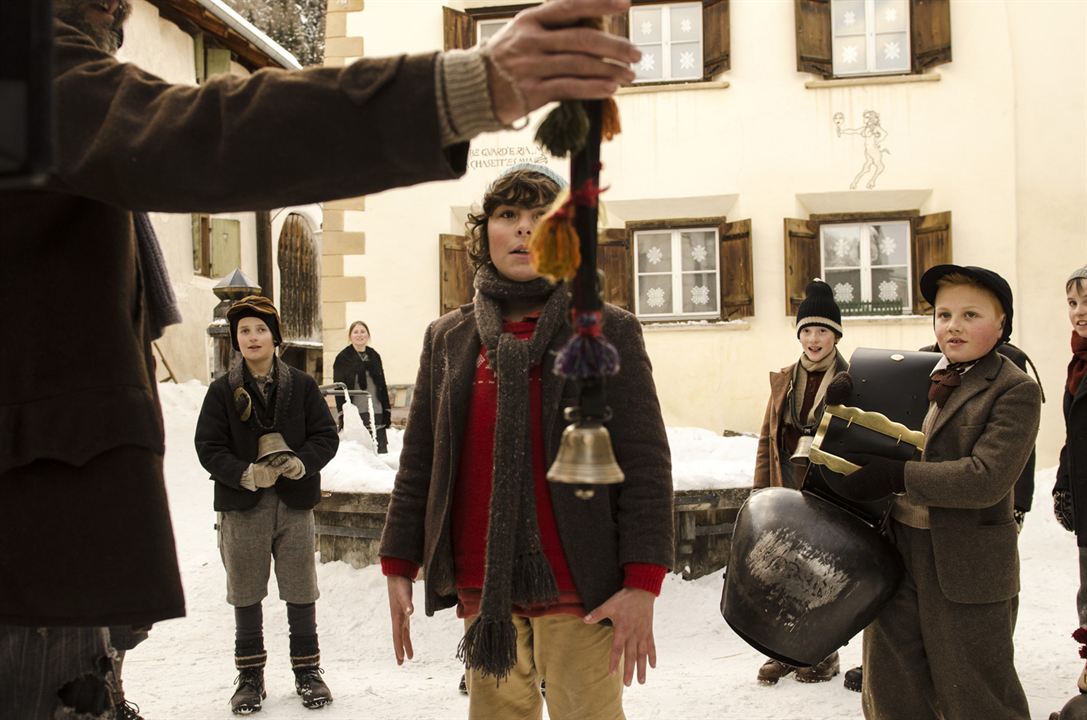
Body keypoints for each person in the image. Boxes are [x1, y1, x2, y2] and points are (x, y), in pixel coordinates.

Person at [0, 0, 640, 716]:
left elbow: (639, 462)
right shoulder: (19, 49)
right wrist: (468, 87)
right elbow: (193, 136)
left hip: (49, 549)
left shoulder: (602, 329)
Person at [378, 164, 674, 720]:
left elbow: (647, 465)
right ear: (483, 232)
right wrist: (399, 561)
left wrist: (642, 583)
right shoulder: (449, 337)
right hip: (483, 590)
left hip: (581, 589)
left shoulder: (609, 330)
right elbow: (420, 460)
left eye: (541, 217)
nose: (522, 229)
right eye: (508, 215)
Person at [825, 264, 1041, 719]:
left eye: (970, 315)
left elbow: (985, 478)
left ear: (1002, 324)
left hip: (967, 565)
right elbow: (866, 437)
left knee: (976, 692)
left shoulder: (1013, 390)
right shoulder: (911, 371)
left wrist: (897, 476)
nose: (953, 326)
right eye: (944, 314)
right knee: (894, 687)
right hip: (895, 552)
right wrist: (845, 399)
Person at [195, 296, 339, 713]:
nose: (253, 337)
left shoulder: (303, 385)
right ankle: (250, 676)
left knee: (300, 588)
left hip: (294, 503)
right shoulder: (222, 391)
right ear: (236, 341)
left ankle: (308, 671)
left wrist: (302, 462)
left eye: (260, 329)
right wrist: (244, 473)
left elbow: (325, 437)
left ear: (275, 337)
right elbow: (208, 446)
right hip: (243, 505)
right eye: (244, 331)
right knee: (245, 590)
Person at [752, 278, 848, 686]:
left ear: (836, 335)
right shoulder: (785, 380)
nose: (813, 338)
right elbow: (766, 438)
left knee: (822, 575)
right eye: (807, 330)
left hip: (830, 491)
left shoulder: (851, 378)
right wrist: (758, 492)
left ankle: (822, 653)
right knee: (783, 572)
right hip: (786, 484)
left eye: (822, 330)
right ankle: (783, 651)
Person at [1056, 264, 1087, 694]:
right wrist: (1064, 482)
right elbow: (1074, 432)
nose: (1079, 312)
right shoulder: (1078, 363)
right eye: (1073, 303)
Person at [334, 321, 392, 453]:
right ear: (350, 336)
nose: (359, 335)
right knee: (360, 452)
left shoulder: (374, 356)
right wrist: (343, 413)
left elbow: (382, 384)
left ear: (368, 335)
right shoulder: (343, 358)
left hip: (376, 409)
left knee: (380, 450)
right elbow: (339, 389)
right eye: (355, 332)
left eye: (362, 331)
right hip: (356, 411)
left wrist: (387, 410)